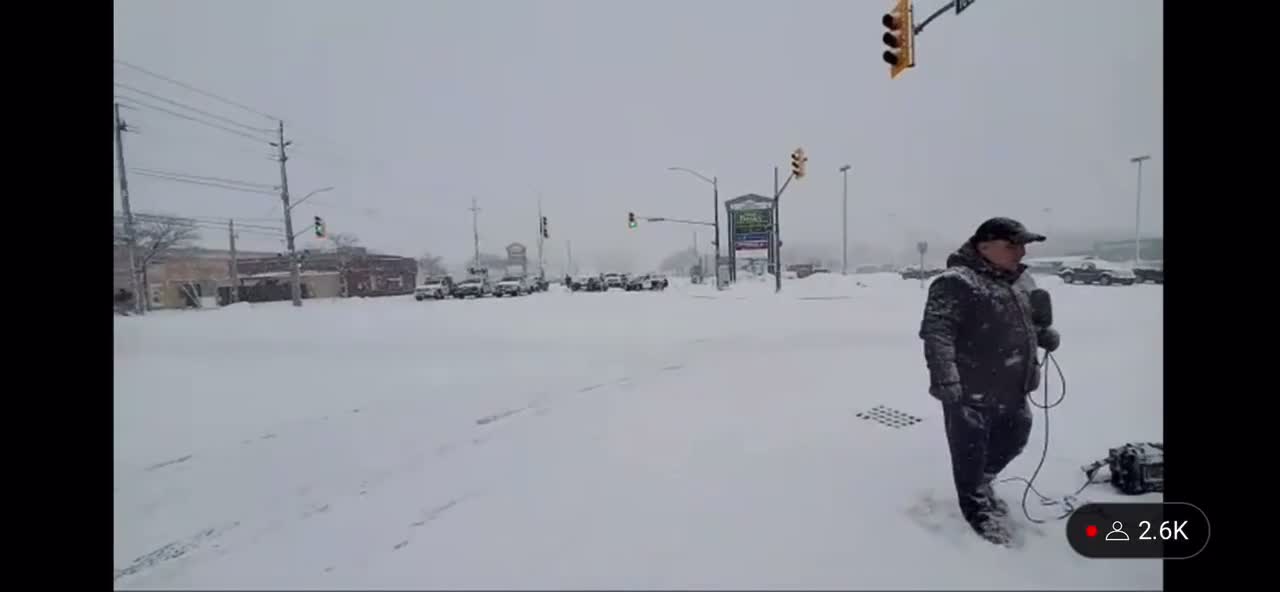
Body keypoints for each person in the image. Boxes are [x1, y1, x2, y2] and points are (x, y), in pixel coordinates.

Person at [918, 217, 1061, 545]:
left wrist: (1043, 335)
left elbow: (1023, 324)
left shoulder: (1020, 282)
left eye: (1023, 245)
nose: (1021, 252)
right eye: (1012, 245)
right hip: (970, 390)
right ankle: (975, 507)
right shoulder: (956, 282)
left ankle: (983, 481)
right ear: (984, 247)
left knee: (1015, 437)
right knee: (969, 451)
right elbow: (937, 334)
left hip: (1014, 385)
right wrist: (945, 379)